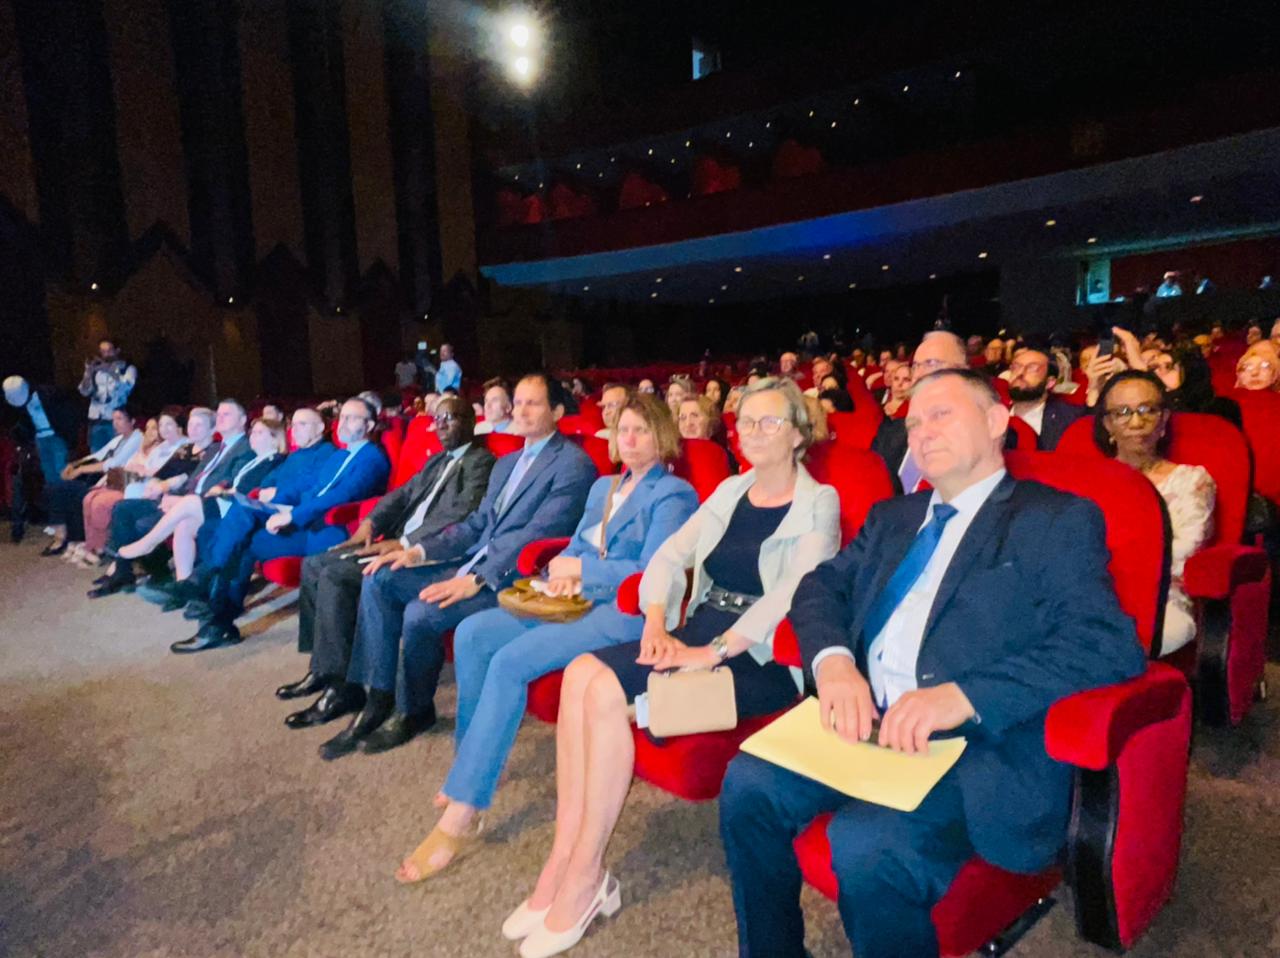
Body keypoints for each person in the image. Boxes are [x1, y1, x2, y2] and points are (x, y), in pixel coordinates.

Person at [719, 368, 1148, 958]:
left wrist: (964, 695)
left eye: (941, 414)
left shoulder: (1052, 519)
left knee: (867, 844)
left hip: (973, 745)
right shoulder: (893, 517)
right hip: (866, 717)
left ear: (996, 421)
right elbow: (820, 587)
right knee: (746, 784)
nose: (921, 432)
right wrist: (834, 663)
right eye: (914, 421)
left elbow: (1106, 642)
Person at [504, 378, 840, 958]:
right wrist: (657, 622)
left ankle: (585, 875)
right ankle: (563, 856)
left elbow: (793, 593)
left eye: (770, 422)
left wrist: (711, 652)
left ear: (798, 435)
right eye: (746, 421)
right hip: (696, 632)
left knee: (603, 694)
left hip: (758, 660)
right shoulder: (732, 490)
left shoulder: (820, 501)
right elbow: (668, 556)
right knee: (581, 673)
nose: (753, 432)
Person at [394, 395, 698, 882]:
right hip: (570, 598)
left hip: (622, 612)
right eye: (623, 430)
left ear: (661, 437)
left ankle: (463, 813)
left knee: (510, 662)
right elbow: (577, 544)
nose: (630, 439)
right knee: (472, 633)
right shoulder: (602, 487)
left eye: (642, 430)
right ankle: (471, 762)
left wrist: (584, 572)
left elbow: (651, 571)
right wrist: (559, 570)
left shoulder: (674, 495)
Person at [322, 373, 597, 759]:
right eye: (518, 402)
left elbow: (538, 534)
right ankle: (378, 696)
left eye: (532, 403)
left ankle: (414, 709)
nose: (521, 410)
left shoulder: (573, 465)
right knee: (381, 578)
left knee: (420, 612)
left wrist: (477, 578)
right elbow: (476, 525)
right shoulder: (507, 463)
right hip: (474, 561)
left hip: (515, 575)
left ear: (556, 411)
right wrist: (418, 552)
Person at [279, 396, 496, 726]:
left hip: (426, 550)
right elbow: (401, 495)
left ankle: (344, 688)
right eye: (437, 420)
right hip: (394, 540)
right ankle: (324, 669)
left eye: (450, 418)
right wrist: (371, 523)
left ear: (469, 422)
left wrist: (403, 543)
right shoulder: (437, 460)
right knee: (314, 564)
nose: (441, 426)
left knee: (336, 574)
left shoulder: (481, 462)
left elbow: (459, 513)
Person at [172, 398, 391, 653]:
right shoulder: (340, 455)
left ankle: (208, 591)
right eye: (342, 416)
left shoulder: (372, 457)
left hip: (326, 529)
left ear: (370, 425)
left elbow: (341, 496)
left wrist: (292, 515)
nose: (343, 423)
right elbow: (309, 488)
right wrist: (278, 503)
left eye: (352, 418)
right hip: (303, 520)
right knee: (242, 526)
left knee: (243, 532)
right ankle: (217, 622)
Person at [1093, 371, 1215, 655]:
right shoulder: (1090, 480)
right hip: (1091, 593)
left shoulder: (1191, 480)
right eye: (1123, 412)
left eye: (1147, 410)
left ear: (1164, 419)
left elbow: (1186, 552)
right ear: (1108, 424)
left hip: (1161, 599)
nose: (1137, 422)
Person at [89, 401, 255, 598]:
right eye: (219, 413)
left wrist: (180, 496)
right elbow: (194, 479)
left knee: (144, 523)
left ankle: (147, 559)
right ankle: (123, 571)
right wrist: (173, 495)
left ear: (242, 420)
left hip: (209, 505)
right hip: (183, 499)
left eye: (226, 414)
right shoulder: (216, 448)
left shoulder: (246, 448)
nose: (220, 417)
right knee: (123, 508)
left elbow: (229, 485)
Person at [114, 417, 288, 577]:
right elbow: (234, 484)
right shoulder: (255, 460)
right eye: (253, 432)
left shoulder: (275, 461)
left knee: (190, 501)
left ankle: (147, 543)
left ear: (274, 439)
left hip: (239, 510)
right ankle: (183, 581)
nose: (253, 436)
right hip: (226, 502)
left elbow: (252, 492)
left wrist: (224, 492)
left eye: (259, 433)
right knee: (184, 524)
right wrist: (221, 488)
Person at [74, 408, 190, 567]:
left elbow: (178, 476)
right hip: (142, 487)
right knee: (96, 498)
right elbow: (139, 468)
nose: (164, 429)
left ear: (179, 426)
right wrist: (142, 471)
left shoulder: (185, 447)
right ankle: (107, 552)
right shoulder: (160, 447)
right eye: (161, 425)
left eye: (169, 424)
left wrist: (147, 474)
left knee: (116, 506)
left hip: (164, 494)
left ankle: (114, 554)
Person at [871, 331, 969, 492]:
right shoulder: (890, 432)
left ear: (963, 372)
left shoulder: (981, 436)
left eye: (931, 363)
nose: (919, 374)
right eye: (916, 366)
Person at [40, 407, 143, 556]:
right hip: (104, 479)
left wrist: (80, 470)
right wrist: (74, 465)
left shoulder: (137, 438)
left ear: (132, 421)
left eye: (120, 419)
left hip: (119, 483)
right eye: (113, 419)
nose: (115, 423)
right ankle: (62, 536)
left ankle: (65, 538)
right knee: (54, 487)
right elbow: (97, 455)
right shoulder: (119, 439)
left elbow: (113, 463)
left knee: (65, 490)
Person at [1006, 343, 1090, 450]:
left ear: (1050, 382)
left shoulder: (1071, 419)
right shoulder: (992, 414)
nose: (1020, 373)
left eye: (1032, 368)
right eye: (1016, 367)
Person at [2, 376, 80, 485]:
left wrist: (71, 441)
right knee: (48, 471)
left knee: (62, 470)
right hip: (40, 439)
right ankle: (54, 492)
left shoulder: (49, 395)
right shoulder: (23, 406)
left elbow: (66, 416)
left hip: (57, 436)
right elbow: (26, 423)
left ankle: (66, 492)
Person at [78, 338, 138, 452]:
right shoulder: (96, 369)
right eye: (102, 351)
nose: (105, 354)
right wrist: (88, 373)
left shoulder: (127, 368)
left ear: (117, 351)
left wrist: (111, 372)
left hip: (115, 421)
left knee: (118, 453)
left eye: (109, 351)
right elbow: (84, 391)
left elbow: (126, 387)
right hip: (96, 420)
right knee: (97, 455)